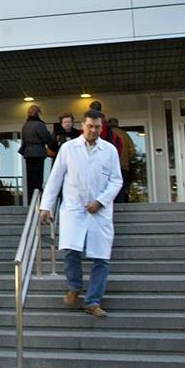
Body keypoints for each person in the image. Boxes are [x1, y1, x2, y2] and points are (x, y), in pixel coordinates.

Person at [40, 110, 122, 317]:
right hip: (74, 208)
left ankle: (93, 301)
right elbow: (55, 178)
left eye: (97, 127)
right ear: (83, 126)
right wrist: (46, 206)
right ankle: (74, 287)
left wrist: (100, 201)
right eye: (90, 126)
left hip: (100, 212)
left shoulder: (109, 150)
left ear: (101, 128)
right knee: (71, 250)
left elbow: (116, 180)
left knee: (101, 259)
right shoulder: (68, 148)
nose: (93, 130)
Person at [20, 105, 51, 199]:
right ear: (37, 113)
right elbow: (46, 139)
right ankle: (38, 198)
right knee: (38, 178)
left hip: (28, 153)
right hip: (38, 153)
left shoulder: (25, 125)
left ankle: (31, 199)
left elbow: (24, 139)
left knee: (30, 179)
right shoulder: (40, 125)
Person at [108, 117, 136, 203]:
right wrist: (127, 159)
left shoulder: (106, 134)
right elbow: (132, 150)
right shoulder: (125, 134)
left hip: (108, 166)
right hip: (123, 165)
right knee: (121, 187)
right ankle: (121, 204)